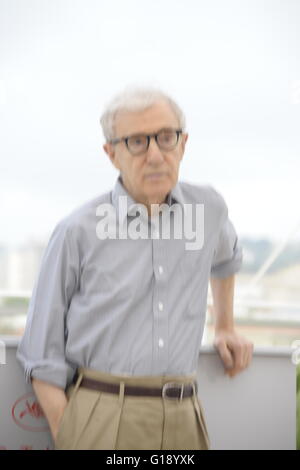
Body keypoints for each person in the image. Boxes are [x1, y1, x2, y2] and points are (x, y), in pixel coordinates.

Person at [17, 86, 253, 450]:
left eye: (165, 137)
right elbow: (39, 352)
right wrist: (70, 432)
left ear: (183, 143)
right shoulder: (76, 231)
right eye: (137, 142)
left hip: (184, 414)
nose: (156, 154)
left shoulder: (208, 209)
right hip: (100, 417)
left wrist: (225, 326)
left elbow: (227, 259)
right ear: (111, 154)